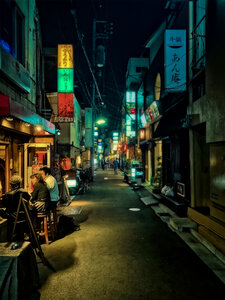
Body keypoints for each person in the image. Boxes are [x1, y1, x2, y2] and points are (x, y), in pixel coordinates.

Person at [0, 175, 30, 240]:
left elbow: (3, 204)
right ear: (20, 183)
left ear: (11, 184)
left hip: (12, 217)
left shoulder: (8, 194)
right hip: (24, 216)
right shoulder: (25, 192)